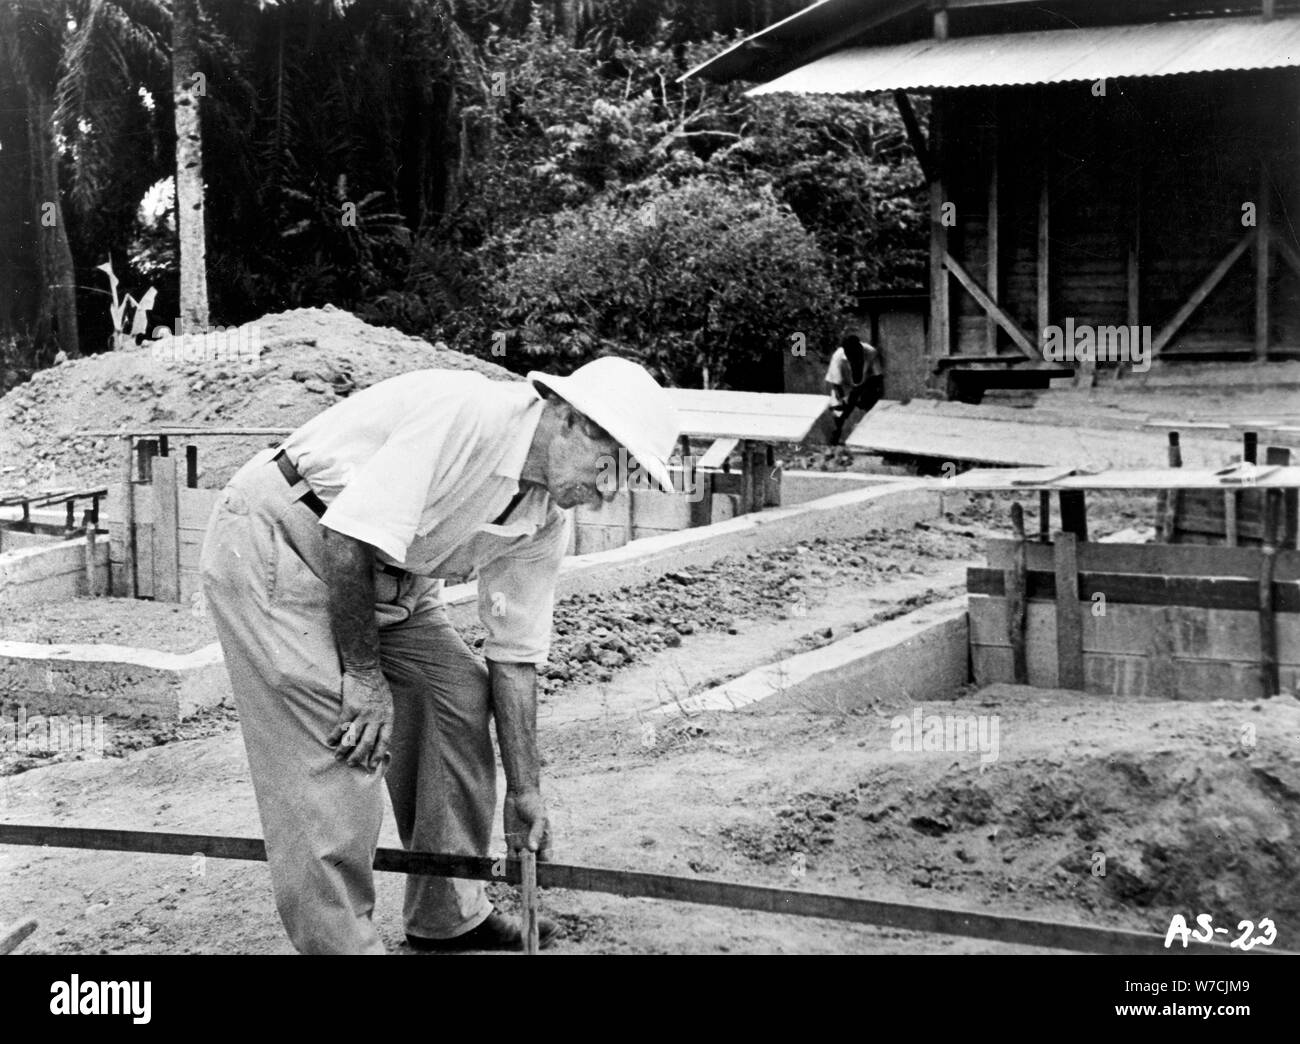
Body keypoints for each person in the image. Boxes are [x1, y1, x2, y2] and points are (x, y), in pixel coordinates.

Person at [199, 357, 679, 954]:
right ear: (566, 417)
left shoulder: (544, 519)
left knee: (455, 692)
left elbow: (515, 654)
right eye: (609, 465)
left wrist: (526, 791)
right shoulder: (467, 416)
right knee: (344, 739)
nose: (609, 490)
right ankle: (344, 947)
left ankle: (448, 914)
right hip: (284, 539)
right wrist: (366, 677)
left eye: (626, 476)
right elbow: (348, 535)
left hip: (387, 574)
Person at [825, 333, 884, 445]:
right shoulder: (838, 357)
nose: (853, 357)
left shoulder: (871, 352)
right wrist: (844, 399)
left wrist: (865, 393)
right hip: (844, 386)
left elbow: (877, 376)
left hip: (865, 384)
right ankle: (834, 441)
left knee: (873, 409)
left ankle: (874, 440)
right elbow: (836, 383)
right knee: (839, 413)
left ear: (859, 348)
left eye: (855, 353)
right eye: (849, 354)